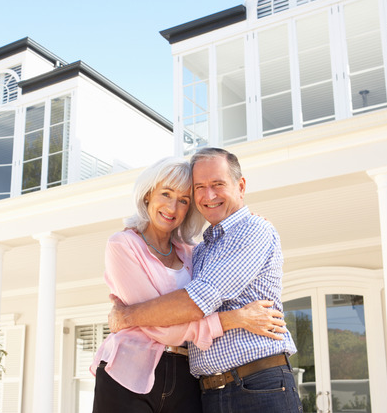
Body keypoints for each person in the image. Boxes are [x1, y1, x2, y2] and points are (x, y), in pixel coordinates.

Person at [109, 148, 302, 412]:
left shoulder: (253, 230)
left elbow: (194, 303)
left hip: (258, 385)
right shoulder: (198, 251)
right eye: (200, 187)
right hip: (209, 392)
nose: (208, 195)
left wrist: (127, 316)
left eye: (218, 184)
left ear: (240, 186)